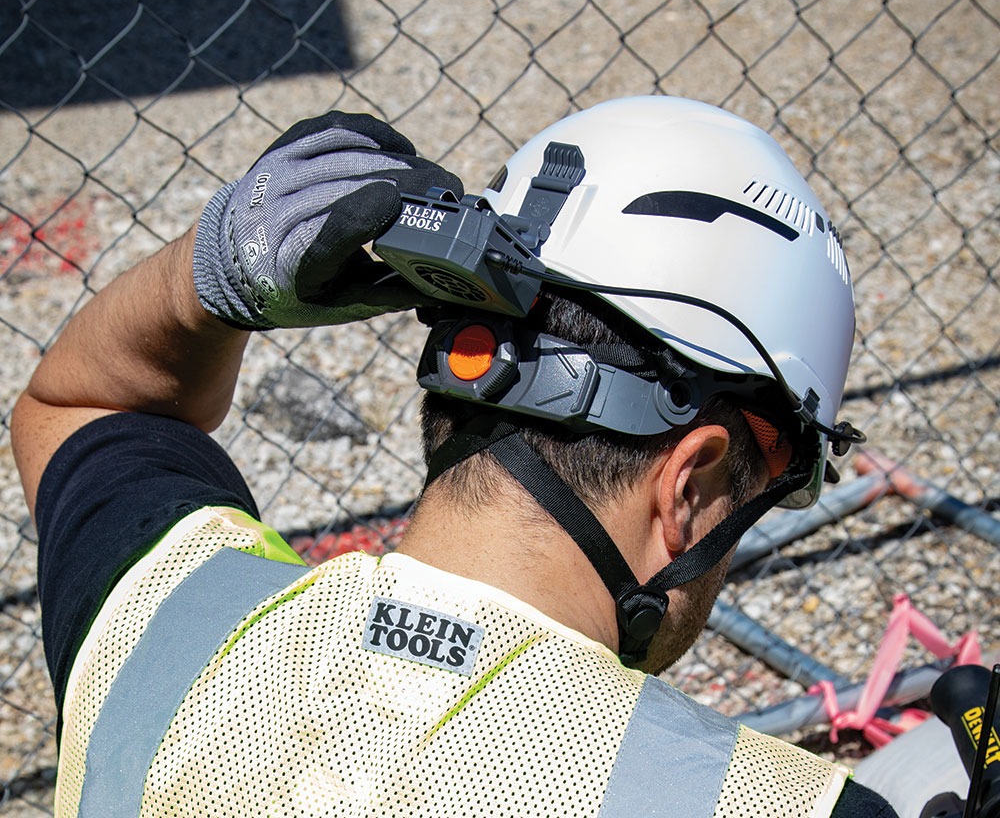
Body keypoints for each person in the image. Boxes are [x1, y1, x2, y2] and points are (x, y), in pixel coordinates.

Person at [13, 96, 898, 817]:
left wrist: (213, 272)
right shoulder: (780, 804)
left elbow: (85, 403)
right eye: (772, 483)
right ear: (693, 481)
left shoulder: (159, 618)